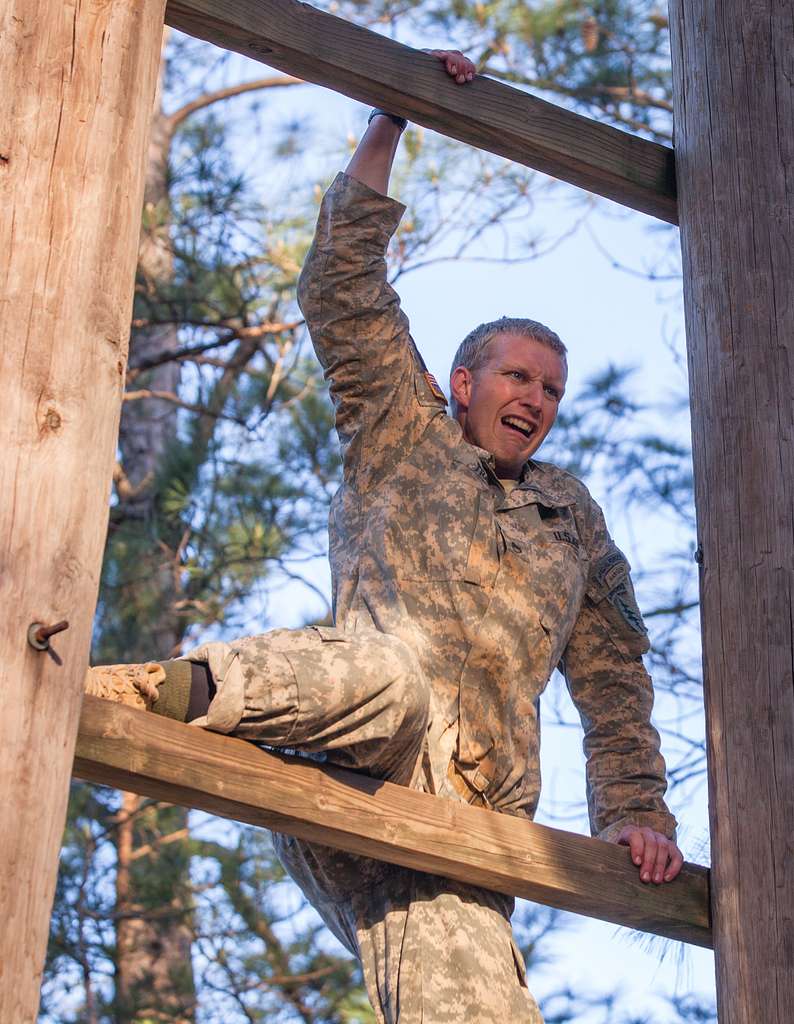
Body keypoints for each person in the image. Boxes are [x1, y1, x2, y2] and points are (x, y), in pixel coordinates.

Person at [86, 50, 683, 1023]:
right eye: (517, 377)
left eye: (549, 390)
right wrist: (393, 116)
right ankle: (156, 689)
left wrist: (633, 816)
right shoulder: (399, 429)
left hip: (461, 816)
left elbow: (613, 681)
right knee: (391, 674)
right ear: (462, 383)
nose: (534, 399)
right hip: (342, 744)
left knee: (475, 1003)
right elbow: (342, 282)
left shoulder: (569, 517)